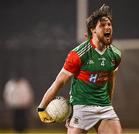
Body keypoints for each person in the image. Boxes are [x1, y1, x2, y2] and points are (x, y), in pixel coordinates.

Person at [37, 4, 122, 134]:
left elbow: (111, 80)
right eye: (102, 25)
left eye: (109, 24)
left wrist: (109, 104)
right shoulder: (78, 54)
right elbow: (58, 82)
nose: (108, 27)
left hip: (103, 107)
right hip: (81, 107)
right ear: (93, 30)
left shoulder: (115, 54)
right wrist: (42, 108)